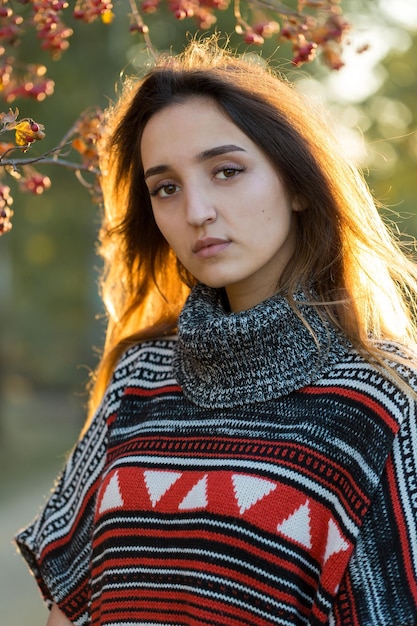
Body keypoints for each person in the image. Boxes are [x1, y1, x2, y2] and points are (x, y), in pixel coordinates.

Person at [15, 36, 417, 626]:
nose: (196, 210)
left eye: (226, 171)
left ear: (299, 183)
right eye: (166, 187)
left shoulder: (380, 404)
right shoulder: (139, 378)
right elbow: (69, 609)